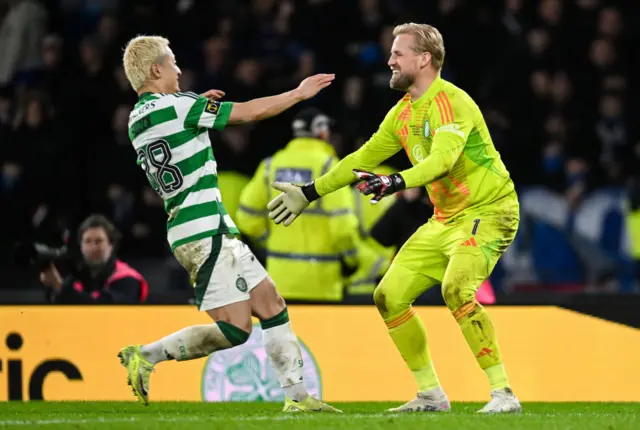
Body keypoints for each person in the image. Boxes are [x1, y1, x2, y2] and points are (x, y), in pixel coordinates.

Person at [266, 23, 522, 413]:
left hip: (490, 211)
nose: (389, 60)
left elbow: (442, 161)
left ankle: (504, 394)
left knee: (456, 289)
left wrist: (395, 181)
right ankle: (431, 395)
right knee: (389, 296)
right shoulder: (402, 114)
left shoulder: (452, 102)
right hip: (446, 218)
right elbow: (360, 159)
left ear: (424, 59)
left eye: (398, 53)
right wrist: (309, 192)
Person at [119, 35, 339, 413]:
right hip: (203, 229)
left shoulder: (138, 119)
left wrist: (193, 105)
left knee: (271, 302)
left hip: (197, 227)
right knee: (237, 329)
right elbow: (251, 112)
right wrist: (298, 94)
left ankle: (299, 399)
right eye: (172, 63)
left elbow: (173, 128)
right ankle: (147, 355)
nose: (179, 69)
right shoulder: (181, 107)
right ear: (156, 70)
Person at [236, 107, 384, 302]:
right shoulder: (328, 167)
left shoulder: (271, 166)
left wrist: (268, 241)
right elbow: (343, 228)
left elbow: (246, 218)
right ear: (322, 132)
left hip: (279, 280)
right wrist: (351, 259)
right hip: (321, 283)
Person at [40, 214, 148, 304]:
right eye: (87, 241)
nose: (93, 247)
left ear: (111, 245)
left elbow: (103, 311)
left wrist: (59, 287)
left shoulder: (128, 279)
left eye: (99, 241)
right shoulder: (76, 276)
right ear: (81, 246)